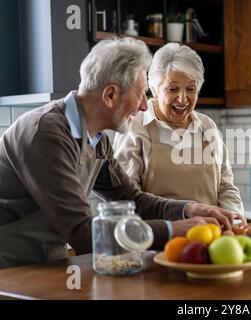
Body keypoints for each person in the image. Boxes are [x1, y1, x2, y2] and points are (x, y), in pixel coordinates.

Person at [0, 38, 235, 269]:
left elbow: (129, 197)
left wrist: (188, 209)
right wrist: (173, 230)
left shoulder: (96, 138)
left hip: (43, 264)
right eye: (141, 94)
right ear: (110, 95)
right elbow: (83, 233)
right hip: (9, 270)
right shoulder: (46, 133)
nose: (144, 106)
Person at [113, 43, 244, 216]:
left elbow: (225, 186)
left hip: (210, 236)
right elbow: (127, 199)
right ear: (154, 89)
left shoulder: (207, 126)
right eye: (172, 89)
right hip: (160, 238)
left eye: (191, 89)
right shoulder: (134, 127)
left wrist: (234, 220)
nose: (183, 99)